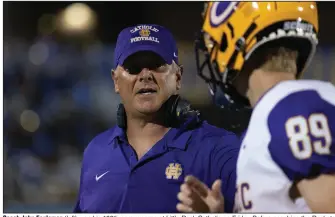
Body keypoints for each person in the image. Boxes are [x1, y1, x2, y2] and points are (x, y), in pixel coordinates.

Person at [176, 2, 335, 213]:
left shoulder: (292, 108)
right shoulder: (279, 110)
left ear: (233, 40)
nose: (212, 56)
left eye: (215, 44)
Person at [73, 24, 240, 213]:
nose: (145, 75)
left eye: (156, 65)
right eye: (133, 68)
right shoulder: (96, 151)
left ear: (178, 77)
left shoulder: (220, 150)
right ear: (116, 81)